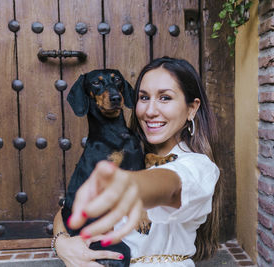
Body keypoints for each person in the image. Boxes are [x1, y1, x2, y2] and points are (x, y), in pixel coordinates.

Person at [52, 57, 222, 266]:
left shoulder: (198, 167)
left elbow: (168, 185)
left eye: (165, 98)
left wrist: (129, 185)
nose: (150, 111)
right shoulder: (131, 153)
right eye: (143, 97)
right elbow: (65, 211)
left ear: (191, 109)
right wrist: (62, 244)